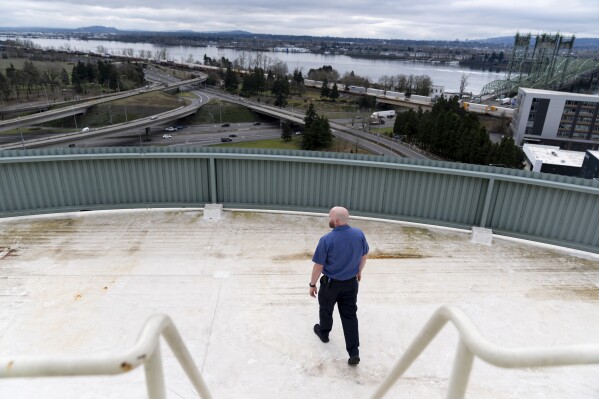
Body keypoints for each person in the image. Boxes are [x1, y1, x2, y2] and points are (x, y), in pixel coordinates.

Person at [309, 206, 369, 365]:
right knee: (349, 315)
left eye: (329, 217)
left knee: (326, 309)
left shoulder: (326, 240)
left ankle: (324, 332)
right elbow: (364, 257)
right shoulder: (359, 235)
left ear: (336, 220)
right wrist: (359, 272)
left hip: (331, 285)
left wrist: (312, 284)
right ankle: (354, 351)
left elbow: (318, 266)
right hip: (351, 284)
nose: (328, 219)